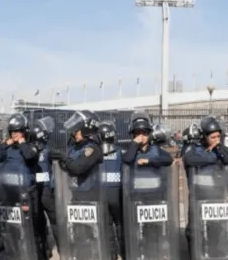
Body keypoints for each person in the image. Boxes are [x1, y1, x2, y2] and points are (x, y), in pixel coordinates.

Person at [49, 110, 114, 259]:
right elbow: (69, 166)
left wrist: (64, 158)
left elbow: (78, 168)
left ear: (86, 129)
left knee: (92, 236)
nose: (73, 133)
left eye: (76, 130)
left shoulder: (93, 149)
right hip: (77, 196)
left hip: (91, 198)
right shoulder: (76, 147)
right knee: (78, 235)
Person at [183, 116, 228, 258]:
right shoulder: (194, 149)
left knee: (215, 233)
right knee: (194, 233)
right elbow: (189, 159)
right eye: (213, 137)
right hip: (198, 199)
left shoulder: (221, 149)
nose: (216, 140)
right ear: (204, 137)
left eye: (218, 136)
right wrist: (214, 158)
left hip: (216, 199)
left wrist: (219, 149)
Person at [122, 113, 175, 259]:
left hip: (155, 198)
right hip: (137, 198)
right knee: (139, 233)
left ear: (149, 134)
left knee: (155, 233)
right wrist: (134, 144)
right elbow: (127, 160)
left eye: (144, 133)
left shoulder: (156, 150)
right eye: (137, 133)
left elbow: (168, 159)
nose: (141, 137)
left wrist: (149, 161)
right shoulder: (132, 151)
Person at [0, 113, 46, 259]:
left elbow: (29, 156)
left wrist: (21, 143)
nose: (14, 134)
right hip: (9, 197)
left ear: (24, 131)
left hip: (27, 196)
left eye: (17, 131)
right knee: (10, 230)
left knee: (31, 230)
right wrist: (3, 144)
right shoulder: (6, 149)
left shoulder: (33, 146)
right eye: (12, 131)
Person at [29, 116, 58, 258]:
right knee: (54, 220)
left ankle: (44, 251)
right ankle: (62, 248)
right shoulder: (46, 151)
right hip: (46, 191)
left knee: (40, 224)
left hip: (35, 191)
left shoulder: (29, 152)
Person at [97, 121, 125, 259]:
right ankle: (124, 252)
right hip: (117, 193)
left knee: (107, 226)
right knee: (120, 224)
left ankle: (112, 255)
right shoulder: (119, 152)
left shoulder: (95, 154)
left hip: (102, 194)